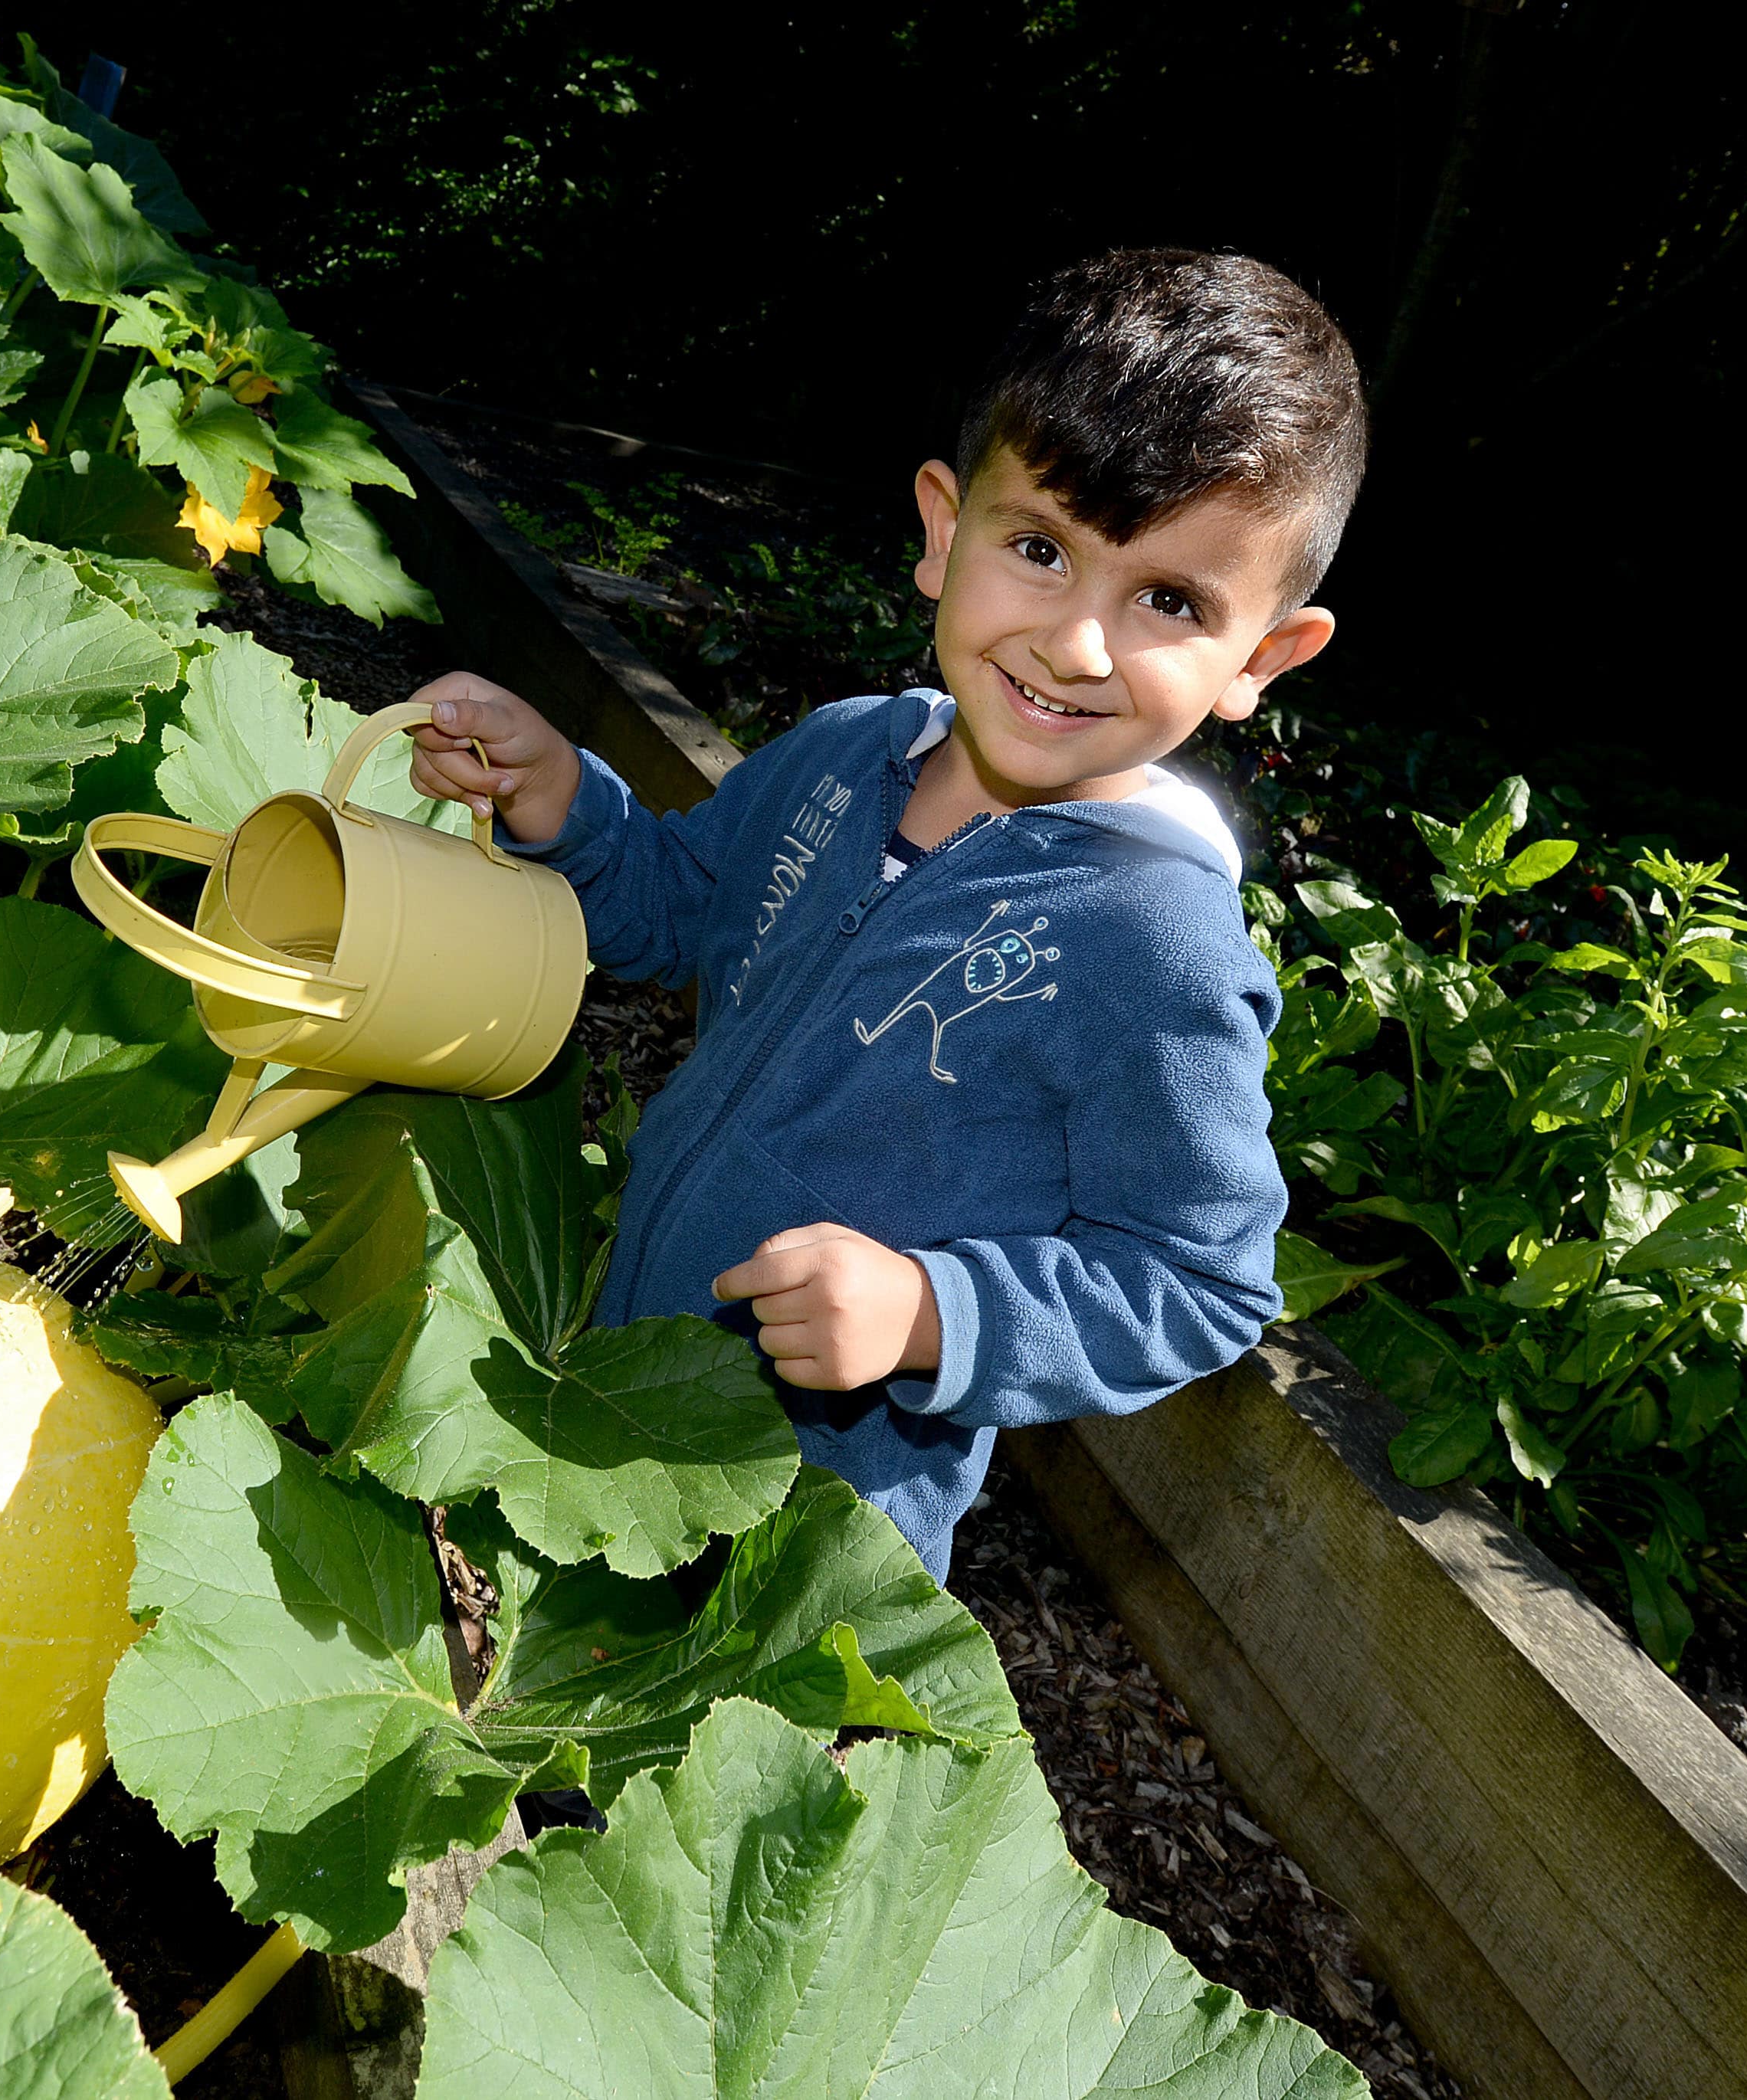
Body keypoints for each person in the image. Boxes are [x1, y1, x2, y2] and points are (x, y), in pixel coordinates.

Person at [403, 247, 1365, 1583]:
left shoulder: (1155, 945)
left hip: (812, 1513)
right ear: (940, 527)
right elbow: (676, 914)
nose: (1077, 643)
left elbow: (1199, 1282)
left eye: (1167, 602)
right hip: (623, 1363)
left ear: (1260, 656)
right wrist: (565, 797)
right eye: (1039, 550)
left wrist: (933, 1311)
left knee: (706, 1768)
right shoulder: (844, 753)